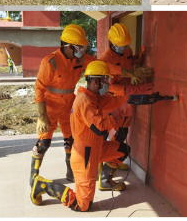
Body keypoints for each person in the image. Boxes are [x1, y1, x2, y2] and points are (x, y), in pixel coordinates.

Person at [30, 61, 138, 212]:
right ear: (96, 81)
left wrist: (133, 97)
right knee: (82, 205)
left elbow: (115, 100)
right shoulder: (85, 101)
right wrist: (121, 112)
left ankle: (105, 180)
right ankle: (42, 185)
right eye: (106, 80)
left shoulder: (94, 97)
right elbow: (99, 128)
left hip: (97, 148)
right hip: (84, 156)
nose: (108, 83)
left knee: (123, 150)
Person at [31, 25, 121, 186]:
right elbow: (39, 88)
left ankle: (71, 172)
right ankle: (34, 177)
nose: (82, 50)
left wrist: (130, 73)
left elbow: (103, 66)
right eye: (80, 47)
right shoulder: (50, 62)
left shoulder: (80, 59)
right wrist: (42, 116)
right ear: (69, 46)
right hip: (50, 108)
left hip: (68, 107)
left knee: (70, 141)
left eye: (83, 46)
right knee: (44, 143)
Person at [97, 23, 152, 177]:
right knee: (104, 136)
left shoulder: (127, 51)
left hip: (126, 102)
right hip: (112, 104)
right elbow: (111, 87)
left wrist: (137, 61)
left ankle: (113, 161)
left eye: (125, 45)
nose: (123, 48)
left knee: (122, 134)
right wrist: (136, 89)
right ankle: (104, 173)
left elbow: (130, 64)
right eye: (119, 46)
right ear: (111, 42)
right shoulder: (105, 60)